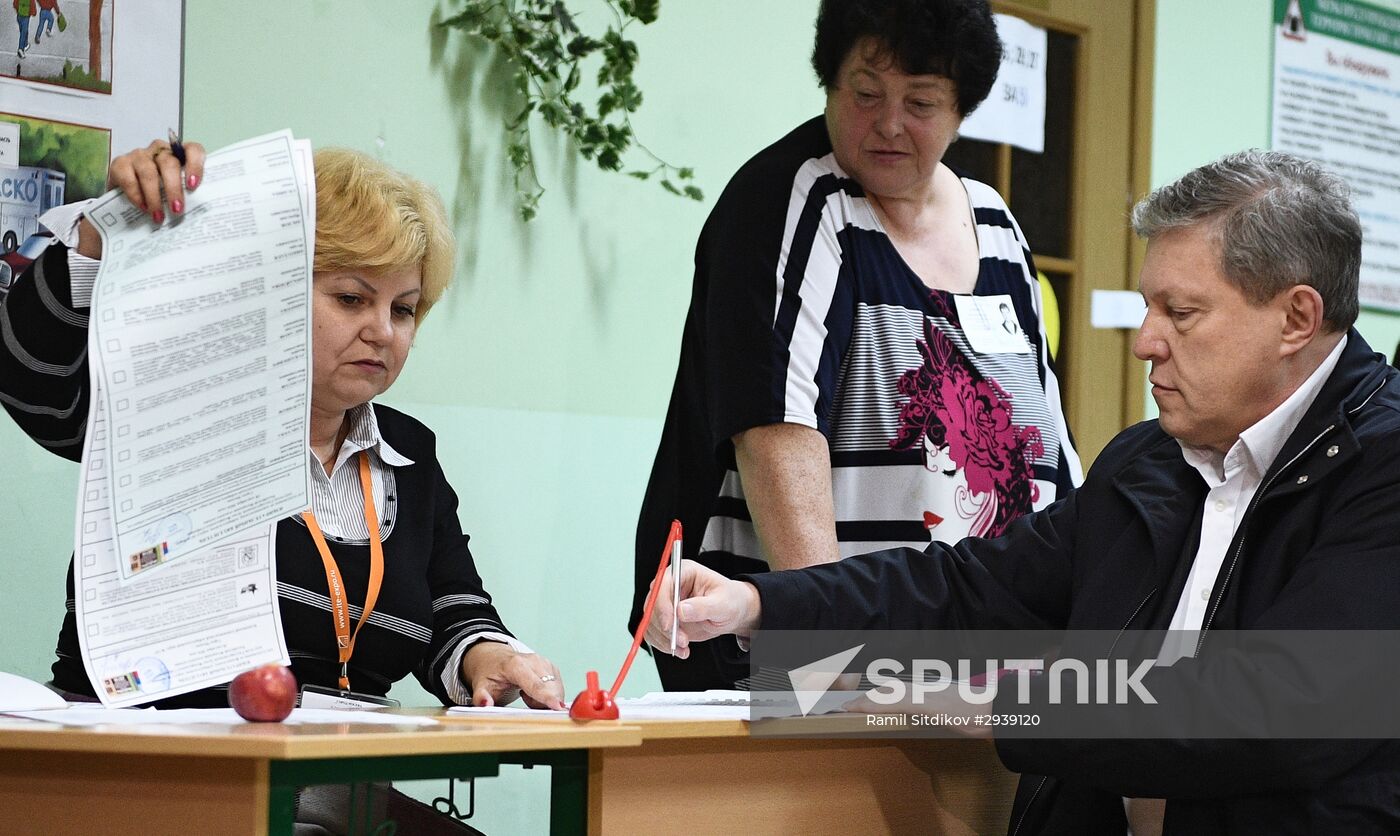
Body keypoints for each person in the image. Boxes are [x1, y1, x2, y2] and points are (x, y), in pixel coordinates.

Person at [650, 150, 1400, 833]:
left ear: (1296, 318)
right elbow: (972, 587)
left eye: (1182, 312)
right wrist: (759, 604)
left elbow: (1275, 707)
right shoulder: (1150, 461)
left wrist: (999, 701)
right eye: (1148, 307)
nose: (1145, 340)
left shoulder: (1384, 467)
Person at [0, 137, 567, 714]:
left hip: (330, 780)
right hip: (151, 771)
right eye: (351, 298)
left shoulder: (408, 453)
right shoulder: (185, 411)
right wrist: (100, 239)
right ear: (273, 292)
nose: (383, 332)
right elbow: (35, 381)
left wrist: (489, 656)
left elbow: (450, 608)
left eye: (403, 309)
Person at [633, 0, 1080, 691]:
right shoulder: (792, 198)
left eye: (922, 102)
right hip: (799, 667)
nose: (890, 123)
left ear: (964, 109)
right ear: (829, 81)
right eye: (866, 93)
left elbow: (1042, 438)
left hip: (975, 662)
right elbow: (776, 437)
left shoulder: (995, 224)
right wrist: (835, 652)